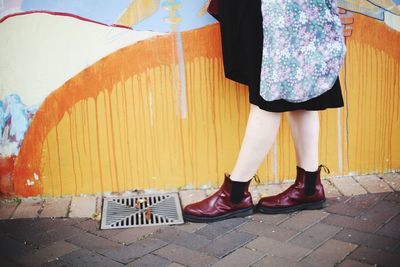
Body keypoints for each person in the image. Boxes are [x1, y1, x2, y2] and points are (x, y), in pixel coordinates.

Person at [183, 0, 346, 222]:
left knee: (268, 99)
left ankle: (235, 195)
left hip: (275, 9)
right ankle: (308, 188)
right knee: (302, 92)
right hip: (290, 9)